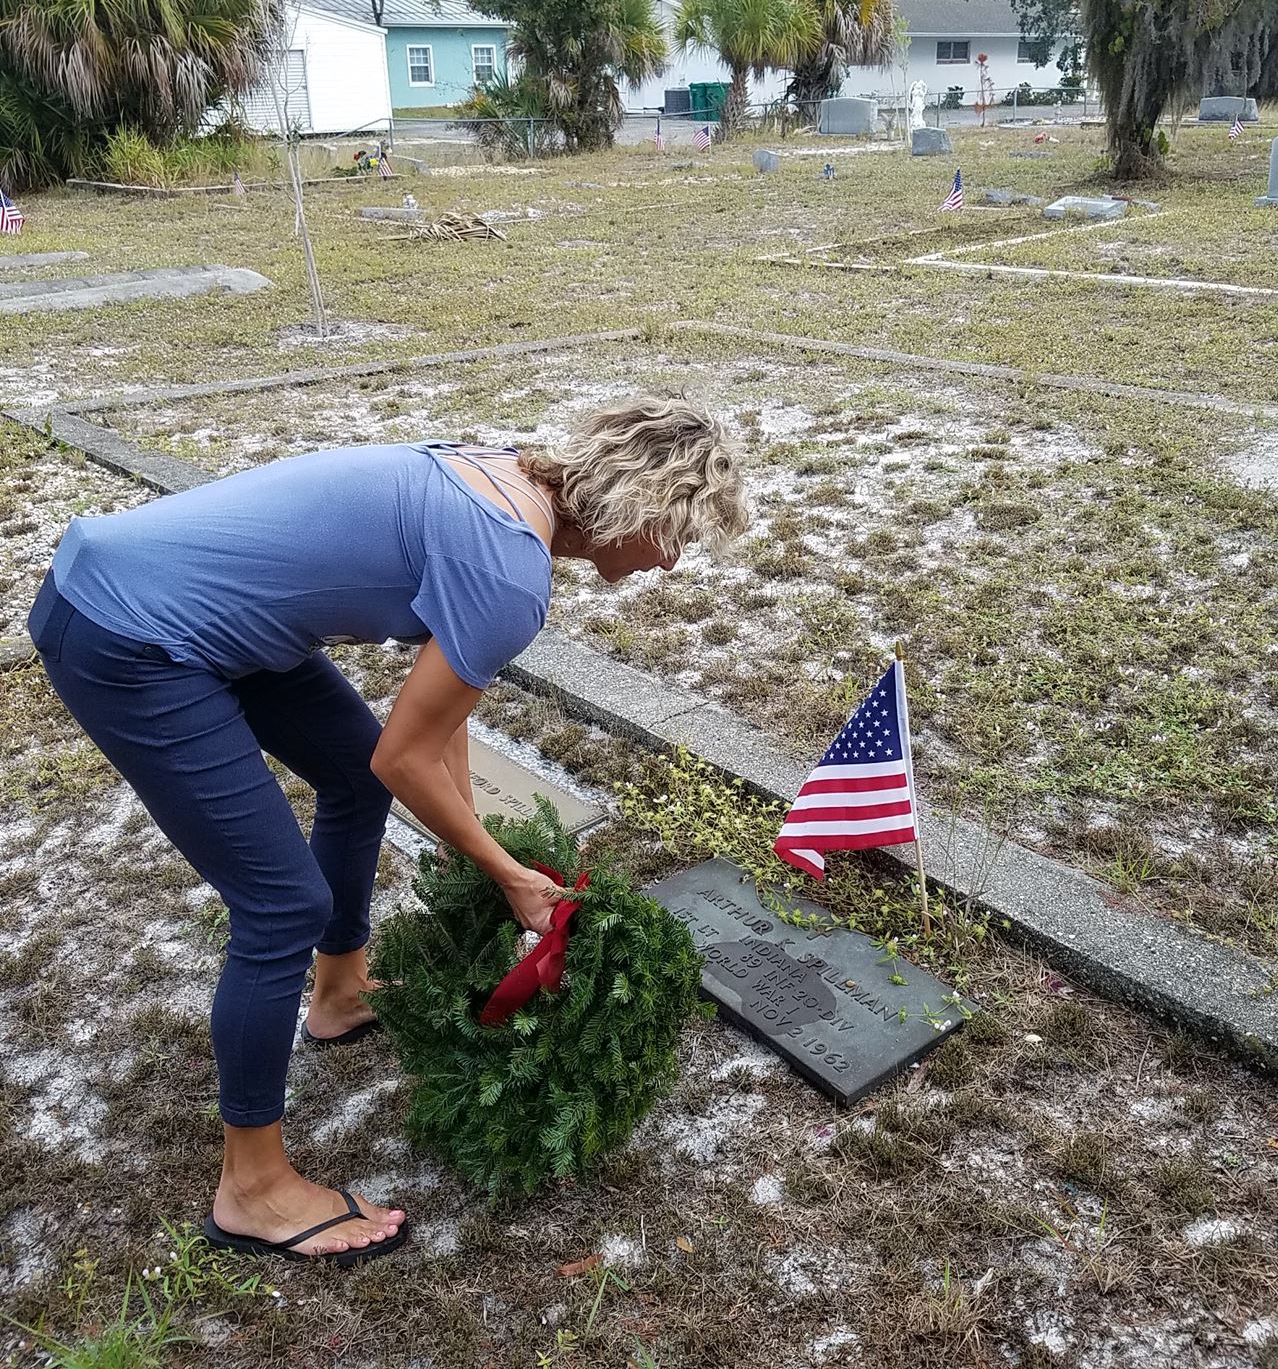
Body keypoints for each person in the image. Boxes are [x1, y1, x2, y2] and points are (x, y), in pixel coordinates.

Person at [27, 399, 746, 1267]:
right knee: (280, 906)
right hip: (127, 632)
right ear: (636, 510)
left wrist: (473, 834)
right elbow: (406, 762)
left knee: (346, 772)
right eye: (675, 537)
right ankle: (252, 1189)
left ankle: (338, 994)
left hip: (183, 605)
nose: (668, 563)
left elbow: (441, 716)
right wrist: (504, 871)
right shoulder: (511, 576)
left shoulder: (506, 478)